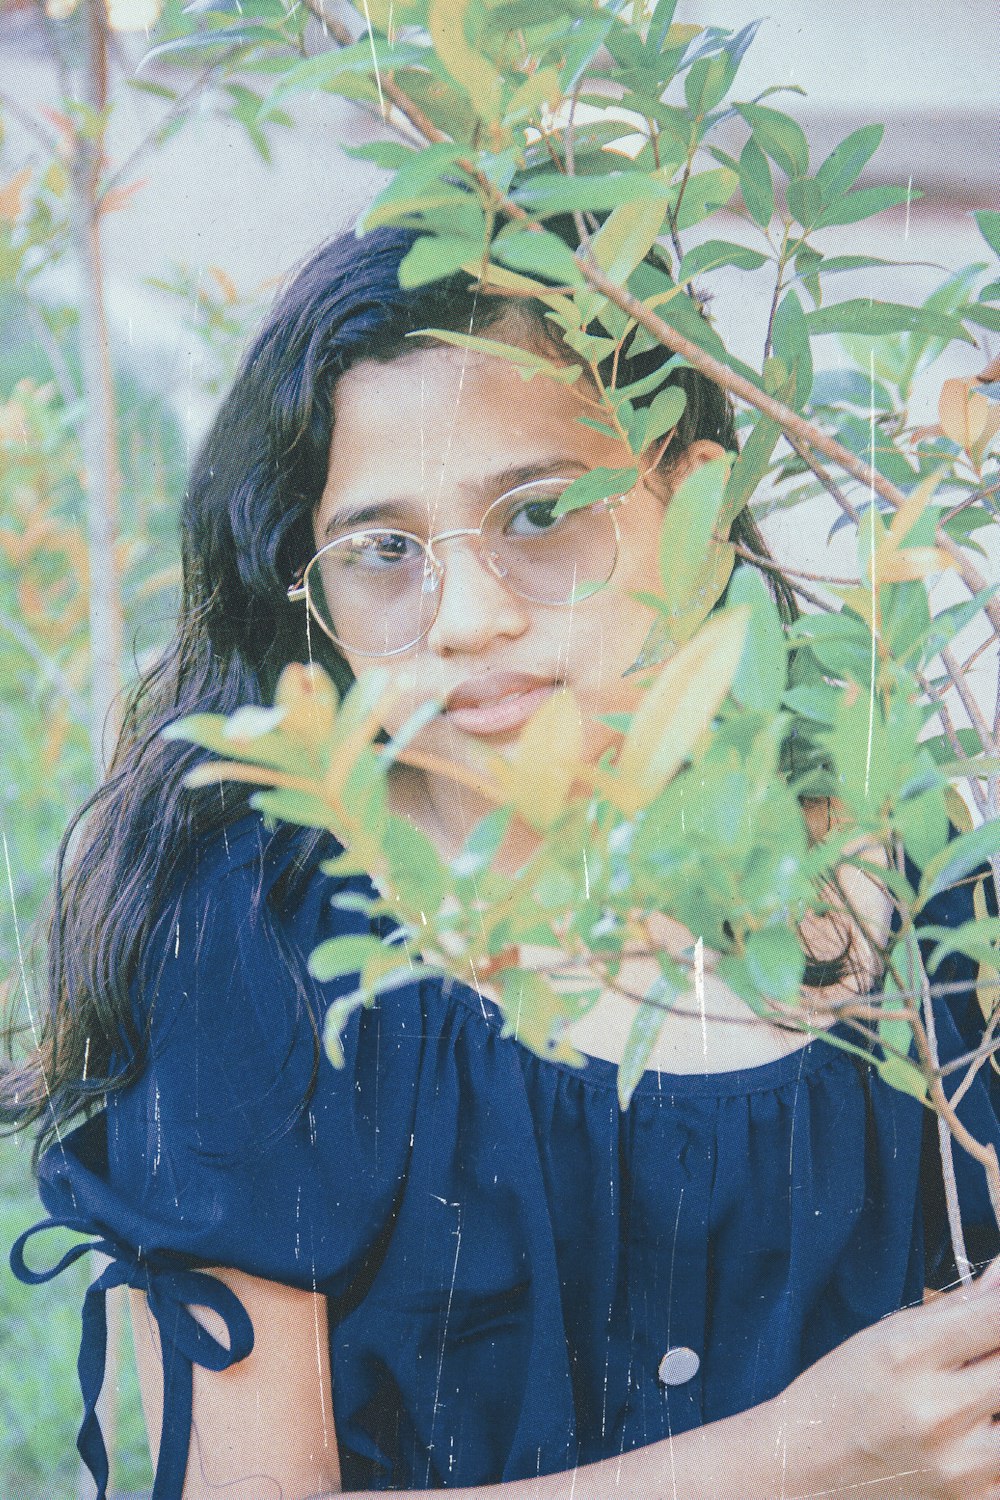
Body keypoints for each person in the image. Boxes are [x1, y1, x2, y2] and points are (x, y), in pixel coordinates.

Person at [4, 225, 1000, 1500]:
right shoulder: (255, 939)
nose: (469, 617)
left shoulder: (912, 883)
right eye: (383, 550)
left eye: (540, 514)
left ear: (690, 502)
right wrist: (805, 1459)